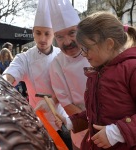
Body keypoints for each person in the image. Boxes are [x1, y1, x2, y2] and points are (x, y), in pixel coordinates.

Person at [57, 11, 136, 150]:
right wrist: (72, 122)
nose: (84, 54)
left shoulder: (131, 68)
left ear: (109, 44)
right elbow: (94, 113)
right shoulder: (96, 73)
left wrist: (118, 132)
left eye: (87, 49)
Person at [2, 0, 71, 149]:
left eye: (47, 33)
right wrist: (5, 82)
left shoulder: (63, 56)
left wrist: (53, 100)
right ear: (33, 32)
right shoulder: (25, 58)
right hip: (37, 123)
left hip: (63, 120)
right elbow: (12, 73)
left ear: (54, 34)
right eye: (38, 33)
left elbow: (71, 87)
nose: (42, 39)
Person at [35, 0, 90, 149]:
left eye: (72, 33)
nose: (67, 42)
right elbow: (66, 103)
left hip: (112, 128)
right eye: (59, 37)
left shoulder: (96, 51)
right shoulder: (57, 65)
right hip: (81, 132)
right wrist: (95, 124)